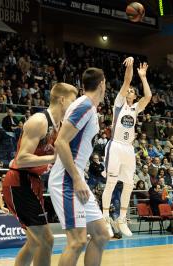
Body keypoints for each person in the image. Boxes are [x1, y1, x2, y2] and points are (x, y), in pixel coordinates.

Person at [2, 82, 78, 266]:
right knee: (45, 241)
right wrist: (53, 158)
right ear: (62, 100)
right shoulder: (39, 121)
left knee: (35, 242)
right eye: (72, 101)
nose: (75, 105)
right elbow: (21, 159)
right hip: (19, 181)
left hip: (33, 182)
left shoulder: (59, 125)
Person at [49, 67, 110, 266]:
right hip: (67, 179)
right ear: (102, 84)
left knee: (101, 234)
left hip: (75, 178)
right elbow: (61, 142)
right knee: (77, 241)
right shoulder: (84, 106)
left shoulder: (88, 107)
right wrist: (76, 178)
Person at [101, 58, 152, 237]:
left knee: (129, 184)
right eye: (127, 91)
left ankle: (122, 218)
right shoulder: (119, 104)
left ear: (134, 96)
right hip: (115, 146)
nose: (129, 91)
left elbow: (148, 97)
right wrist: (130, 67)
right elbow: (127, 81)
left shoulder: (136, 108)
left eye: (131, 91)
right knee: (111, 182)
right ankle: (105, 218)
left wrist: (144, 77)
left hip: (129, 149)